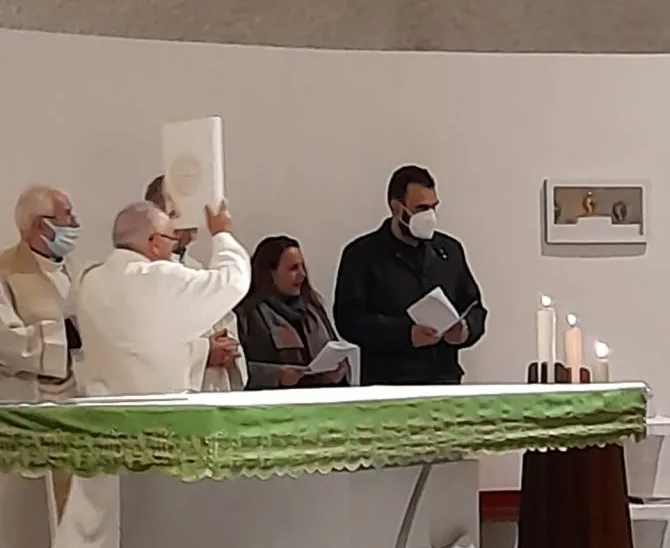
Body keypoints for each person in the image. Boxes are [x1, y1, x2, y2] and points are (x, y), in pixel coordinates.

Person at [29, 199, 251, 548]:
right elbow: (233, 281)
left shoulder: (91, 282)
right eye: (169, 240)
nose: (173, 249)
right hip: (155, 434)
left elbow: (139, 344)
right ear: (152, 244)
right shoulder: (160, 279)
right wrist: (222, 233)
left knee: (93, 540)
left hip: (106, 429)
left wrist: (193, 352)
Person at [0, 186, 83, 548]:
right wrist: (62, 336)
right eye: (65, 215)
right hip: (27, 408)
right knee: (30, 525)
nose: (74, 223)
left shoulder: (71, 270)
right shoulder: (5, 272)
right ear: (38, 226)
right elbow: (6, 341)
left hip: (72, 410)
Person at [333, 165, 487, 385]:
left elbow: (474, 307)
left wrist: (465, 330)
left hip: (443, 380)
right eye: (421, 208)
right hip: (389, 384)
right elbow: (349, 321)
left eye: (433, 207)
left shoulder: (449, 251)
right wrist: (405, 334)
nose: (429, 216)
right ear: (396, 207)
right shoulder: (361, 255)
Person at [144, 175, 245, 391]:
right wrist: (204, 353)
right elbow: (146, 345)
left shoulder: (196, 269)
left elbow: (225, 319)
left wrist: (227, 347)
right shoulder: (145, 274)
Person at [236, 236, 347, 389]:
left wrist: (337, 371)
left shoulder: (313, 309)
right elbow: (235, 368)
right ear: (271, 273)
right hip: (275, 400)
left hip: (321, 398)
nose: (302, 274)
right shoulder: (247, 314)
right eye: (293, 268)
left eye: (302, 267)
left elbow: (334, 349)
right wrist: (276, 375)